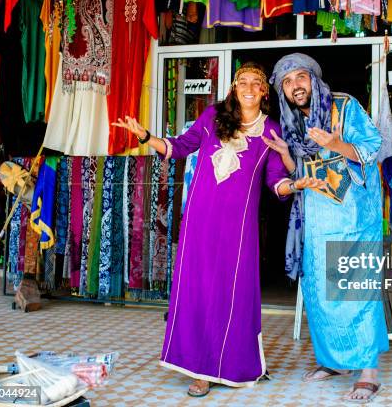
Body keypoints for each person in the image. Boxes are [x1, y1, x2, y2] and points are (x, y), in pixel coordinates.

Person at [112, 62, 324, 397]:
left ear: (264, 92)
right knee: (197, 290)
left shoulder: (270, 130)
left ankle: (228, 363)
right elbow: (179, 146)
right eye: (243, 82)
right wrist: (145, 136)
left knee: (231, 294)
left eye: (257, 83)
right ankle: (199, 369)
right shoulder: (212, 117)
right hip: (199, 221)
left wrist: (295, 184)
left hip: (238, 230)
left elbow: (274, 181)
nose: (250, 88)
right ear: (233, 88)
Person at [266, 53, 389, 403]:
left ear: (314, 79)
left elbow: (372, 146)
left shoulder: (344, 106)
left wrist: (336, 144)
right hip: (317, 217)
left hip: (354, 217)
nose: (295, 87)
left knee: (355, 291)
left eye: (300, 78)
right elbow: (302, 170)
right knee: (320, 292)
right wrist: (286, 155)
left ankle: (368, 372)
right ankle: (334, 361)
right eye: (287, 83)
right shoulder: (292, 121)